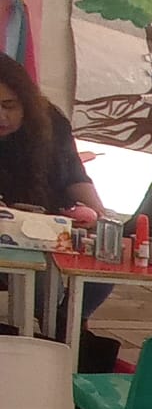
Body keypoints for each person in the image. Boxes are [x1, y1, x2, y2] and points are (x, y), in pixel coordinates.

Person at [0, 52, 111, 326]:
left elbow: (75, 175)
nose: (1, 116)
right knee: (40, 286)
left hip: (52, 226)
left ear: (27, 101)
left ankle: (67, 325)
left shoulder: (51, 122)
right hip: (12, 240)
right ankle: (59, 329)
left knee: (107, 263)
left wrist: (99, 216)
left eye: (9, 105)